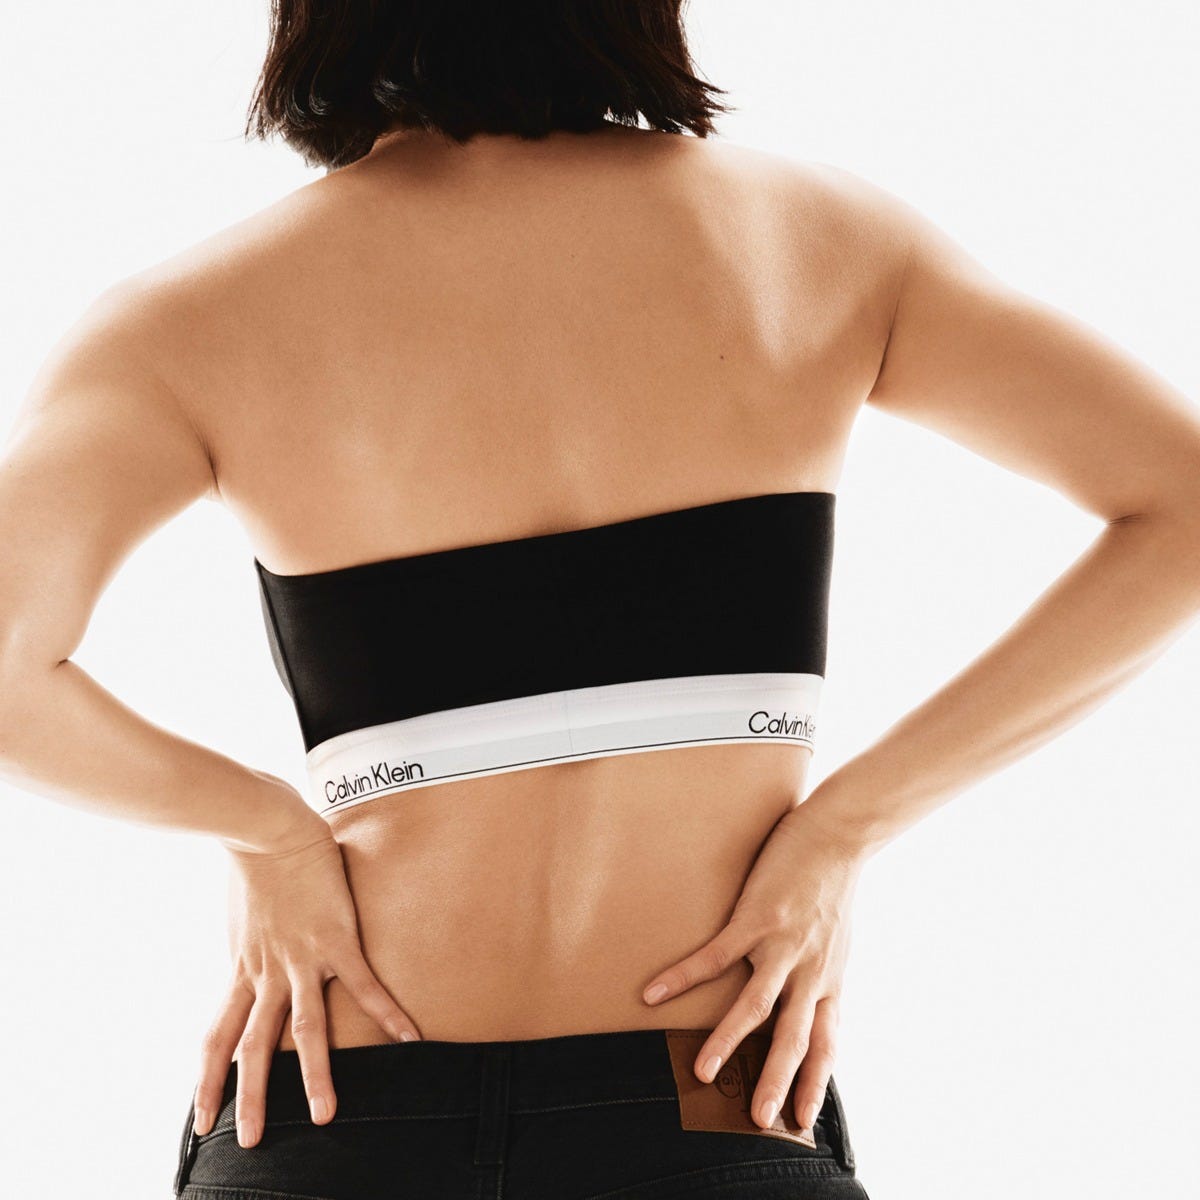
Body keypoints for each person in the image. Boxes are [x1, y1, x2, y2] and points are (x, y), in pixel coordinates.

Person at [2, 3, 1199, 1198]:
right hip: (709, 1093)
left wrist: (265, 830)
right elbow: (1181, 506)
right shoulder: (809, 240)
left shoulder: (193, 315)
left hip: (336, 1101)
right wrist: (844, 828)